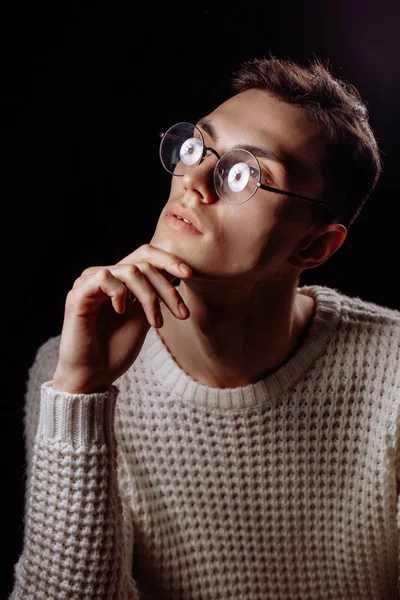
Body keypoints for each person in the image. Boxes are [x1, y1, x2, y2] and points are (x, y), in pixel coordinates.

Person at [10, 54, 399, 600]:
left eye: (245, 174)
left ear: (315, 245)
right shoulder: (69, 369)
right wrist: (81, 395)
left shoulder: (393, 372)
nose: (193, 179)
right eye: (198, 148)